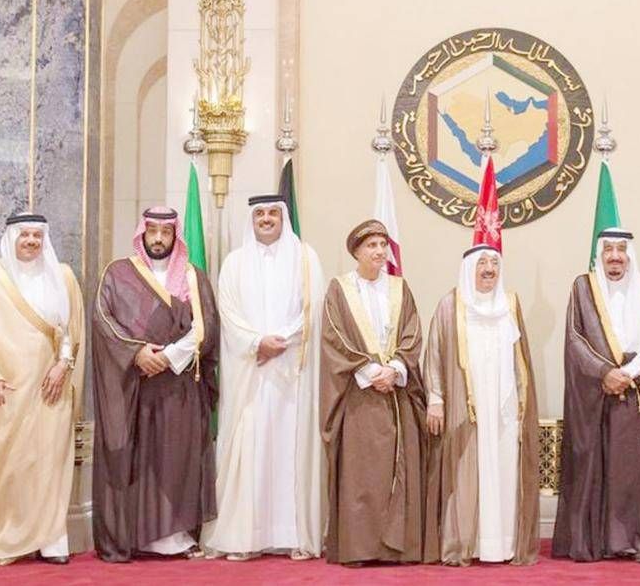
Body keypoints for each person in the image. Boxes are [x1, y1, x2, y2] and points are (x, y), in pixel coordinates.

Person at [0, 213, 84, 568]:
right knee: (3, 466)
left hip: (49, 389)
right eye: (24, 235)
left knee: (47, 464)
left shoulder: (62, 277)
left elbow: (70, 331)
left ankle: (50, 539)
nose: (31, 241)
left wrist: (63, 365)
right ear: (11, 238)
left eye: (37, 236)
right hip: (4, 392)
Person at [91, 206, 220, 562]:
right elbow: (103, 320)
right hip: (135, 385)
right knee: (139, 459)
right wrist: (136, 353)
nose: (159, 238)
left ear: (175, 235)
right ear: (142, 234)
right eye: (152, 231)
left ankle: (176, 537)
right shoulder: (118, 273)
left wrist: (170, 356)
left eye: (166, 232)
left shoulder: (193, 277)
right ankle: (137, 537)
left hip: (179, 385)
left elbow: (207, 326)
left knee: (176, 460)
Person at [201, 195, 324, 560]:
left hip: (292, 373)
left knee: (289, 450)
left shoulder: (306, 259)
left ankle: (293, 536)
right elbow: (228, 312)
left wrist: (280, 341)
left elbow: (313, 309)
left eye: (273, 213)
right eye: (260, 214)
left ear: (283, 218)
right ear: (251, 220)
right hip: (250, 371)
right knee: (250, 446)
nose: (267, 219)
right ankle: (244, 537)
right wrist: (257, 342)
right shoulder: (234, 263)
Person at [551, 227, 640, 563]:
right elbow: (575, 338)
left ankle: (635, 543)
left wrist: (628, 373)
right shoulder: (583, 287)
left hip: (635, 388)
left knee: (633, 471)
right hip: (594, 390)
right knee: (593, 467)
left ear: (629, 254)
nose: (615, 257)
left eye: (621, 250)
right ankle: (594, 542)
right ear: (600, 254)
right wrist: (605, 372)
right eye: (609, 250)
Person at [422, 244, 540, 566]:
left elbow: (521, 359)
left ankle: (501, 545)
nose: (489, 269)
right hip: (466, 407)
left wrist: (522, 402)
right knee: (466, 473)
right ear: (468, 268)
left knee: (503, 471)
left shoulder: (509, 304)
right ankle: (466, 544)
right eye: (482, 263)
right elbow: (434, 354)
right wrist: (436, 399)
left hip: (504, 409)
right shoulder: (450, 305)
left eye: (494, 263)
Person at [319, 219, 425, 565]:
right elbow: (334, 336)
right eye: (372, 246)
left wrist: (394, 369)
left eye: (383, 245)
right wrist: (370, 371)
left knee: (398, 471)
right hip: (359, 392)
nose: (379, 252)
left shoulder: (399, 288)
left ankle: (398, 549)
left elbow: (412, 332)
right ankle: (361, 548)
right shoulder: (340, 289)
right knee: (362, 474)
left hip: (395, 391)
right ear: (357, 251)